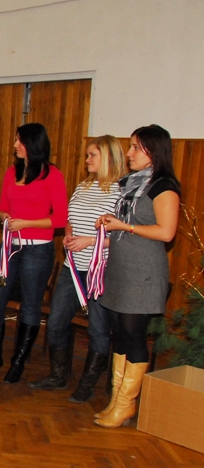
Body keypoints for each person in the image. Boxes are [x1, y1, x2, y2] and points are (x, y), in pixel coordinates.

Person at [94, 125, 180, 428]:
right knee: (119, 333)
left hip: (143, 272)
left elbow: (166, 232)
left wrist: (123, 226)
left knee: (133, 335)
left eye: (135, 148)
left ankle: (126, 405)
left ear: (153, 151)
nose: (129, 153)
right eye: (130, 147)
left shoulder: (163, 186)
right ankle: (117, 400)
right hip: (120, 268)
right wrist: (111, 224)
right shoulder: (130, 184)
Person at [27, 136, 124, 399]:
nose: (87, 160)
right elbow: (70, 219)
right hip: (73, 267)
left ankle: (87, 384)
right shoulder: (83, 186)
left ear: (108, 157)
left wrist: (90, 241)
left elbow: (124, 238)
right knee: (56, 322)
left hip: (100, 271)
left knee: (98, 329)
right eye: (87, 155)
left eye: (92, 155)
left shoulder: (120, 192)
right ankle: (59, 376)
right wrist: (69, 235)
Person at [0, 123, 68, 383]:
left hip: (37, 249)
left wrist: (27, 223)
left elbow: (60, 218)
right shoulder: (11, 172)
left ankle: (18, 361)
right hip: (9, 246)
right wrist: (4, 217)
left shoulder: (52, 175)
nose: (15, 145)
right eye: (15, 140)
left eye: (20, 141)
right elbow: (0, 209)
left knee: (30, 306)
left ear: (33, 144)